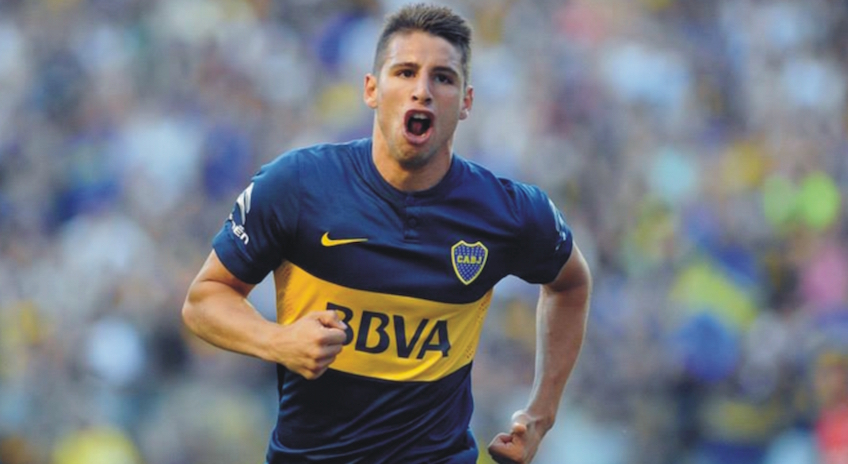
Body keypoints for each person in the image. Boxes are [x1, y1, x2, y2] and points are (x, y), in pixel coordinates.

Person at [181, 3, 591, 463]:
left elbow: (571, 283)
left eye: (443, 78)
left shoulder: (507, 212)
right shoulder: (297, 185)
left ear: (466, 102)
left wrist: (540, 415)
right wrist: (279, 342)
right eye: (405, 72)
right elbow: (204, 300)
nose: (422, 91)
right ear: (372, 89)